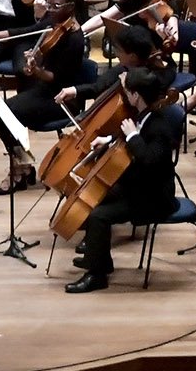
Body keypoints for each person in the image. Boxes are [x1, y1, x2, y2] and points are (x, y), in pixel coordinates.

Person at [63, 67, 185, 294]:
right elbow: (131, 135)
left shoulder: (160, 125)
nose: (125, 94)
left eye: (127, 90)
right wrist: (108, 140)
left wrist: (132, 137)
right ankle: (98, 257)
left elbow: (148, 159)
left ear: (136, 95)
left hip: (154, 197)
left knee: (99, 215)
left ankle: (96, 276)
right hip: (138, 185)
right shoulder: (144, 114)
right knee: (95, 197)